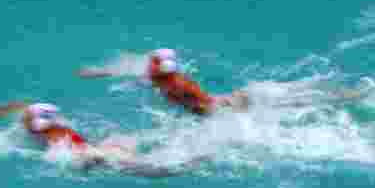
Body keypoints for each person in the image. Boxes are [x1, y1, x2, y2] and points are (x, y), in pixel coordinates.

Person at [0, 101, 204, 176]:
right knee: (129, 150)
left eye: (29, 118)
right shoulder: (47, 123)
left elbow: (73, 155)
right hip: (91, 147)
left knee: (145, 169)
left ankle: (186, 164)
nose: (24, 119)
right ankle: (182, 150)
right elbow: (19, 107)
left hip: (89, 152)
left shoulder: (47, 129)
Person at [79, 48, 249, 115]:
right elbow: (124, 71)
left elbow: (207, 102)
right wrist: (97, 72)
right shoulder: (153, 73)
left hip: (208, 107)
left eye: (152, 60)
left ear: (161, 66)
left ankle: (240, 100)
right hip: (194, 106)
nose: (148, 62)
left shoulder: (179, 84)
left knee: (227, 105)